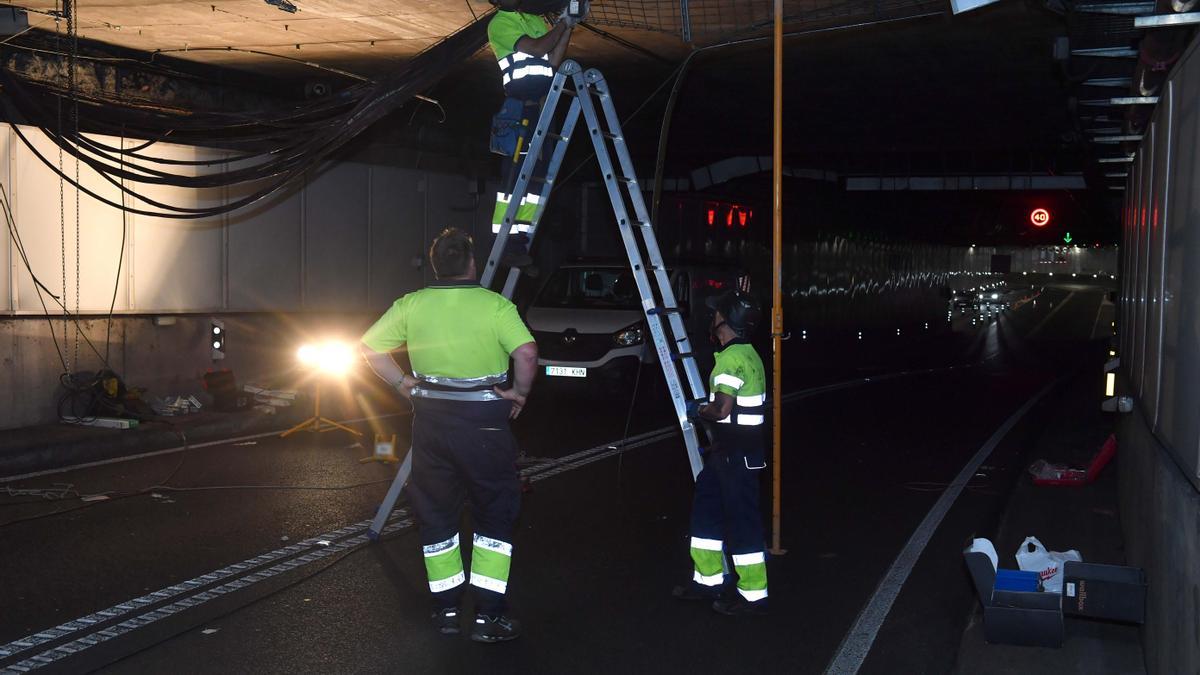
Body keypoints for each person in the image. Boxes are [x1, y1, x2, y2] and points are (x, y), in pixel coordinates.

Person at [360, 228, 538, 642]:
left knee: (437, 516)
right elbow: (526, 353)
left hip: (432, 426)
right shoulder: (496, 306)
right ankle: (489, 617)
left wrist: (402, 382)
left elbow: (368, 348)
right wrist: (520, 393)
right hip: (485, 428)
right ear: (473, 264)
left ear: (436, 264)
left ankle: (446, 612)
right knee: (493, 515)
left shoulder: (412, 305)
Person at [675, 289, 770, 615]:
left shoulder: (730, 359)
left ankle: (751, 596)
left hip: (736, 458)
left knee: (742, 523)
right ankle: (708, 581)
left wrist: (698, 410)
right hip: (729, 454)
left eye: (716, 313)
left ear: (727, 320)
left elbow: (722, 408)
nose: (712, 318)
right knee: (706, 511)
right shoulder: (750, 354)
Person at [486, 0, 584, 269]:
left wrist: (569, 27)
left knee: (534, 184)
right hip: (519, 111)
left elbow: (552, 60)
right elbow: (539, 47)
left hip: (542, 108)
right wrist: (563, 21)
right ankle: (504, 244)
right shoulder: (499, 24)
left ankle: (519, 244)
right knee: (513, 180)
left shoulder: (534, 20)